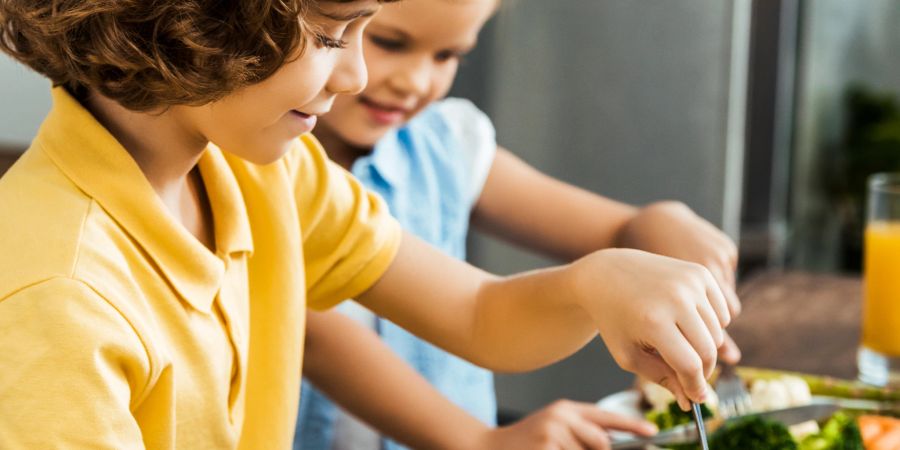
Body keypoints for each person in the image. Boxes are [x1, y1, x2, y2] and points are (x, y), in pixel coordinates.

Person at [0, 0, 733, 448]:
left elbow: (481, 315)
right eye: (330, 34)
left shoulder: (268, 174)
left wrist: (598, 283)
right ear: (196, 16)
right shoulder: (56, 297)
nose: (352, 76)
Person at [296, 0, 741, 448]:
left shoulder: (445, 144)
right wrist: (482, 440)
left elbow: (607, 234)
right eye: (389, 42)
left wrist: (660, 222)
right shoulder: (272, 172)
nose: (415, 81)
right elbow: (314, 340)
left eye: (447, 55)